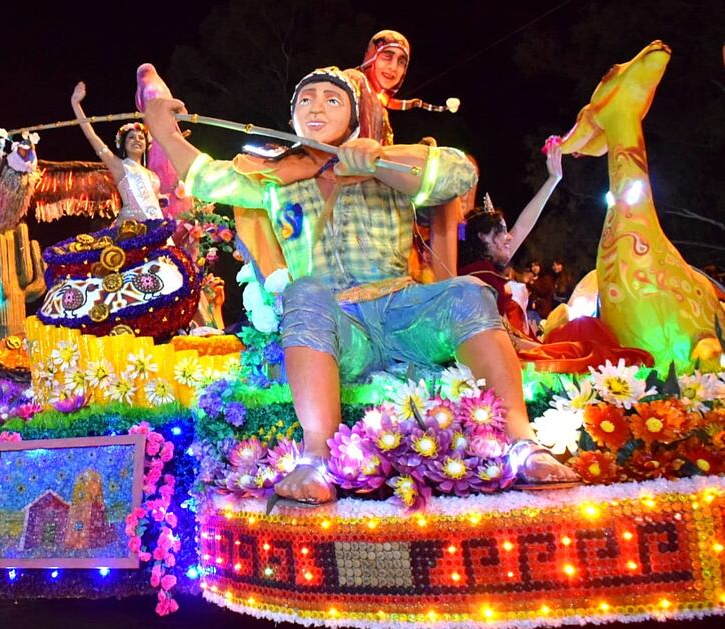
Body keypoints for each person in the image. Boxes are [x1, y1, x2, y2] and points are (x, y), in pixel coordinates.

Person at [144, 66, 579, 504]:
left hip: (402, 312)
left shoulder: (387, 164)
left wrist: (378, 159)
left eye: (332, 100)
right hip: (337, 328)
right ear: (292, 116)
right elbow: (205, 177)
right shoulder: (275, 180)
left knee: (468, 290)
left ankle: (523, 444)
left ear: (354, 116)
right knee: (304, 291)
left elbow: (458, 173)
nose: (316, 106)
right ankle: (315, 459)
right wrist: (163, 130)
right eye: (305, 99)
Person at [458, 142, 564, 339]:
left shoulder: (489, 266)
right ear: (483, 237)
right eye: (503, 231)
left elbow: (523, 226)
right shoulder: (476, 274)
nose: (509, 237)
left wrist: (553, 180)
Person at [70, 81, 164, 225]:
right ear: (124, 144)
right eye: (131, 137)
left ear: (146, 144)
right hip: (130, 230)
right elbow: (92, 136)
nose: (136, 140)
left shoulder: (153, 177)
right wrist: (76, 104)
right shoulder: (120, 166)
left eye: (141, 138)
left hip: (155, 229)